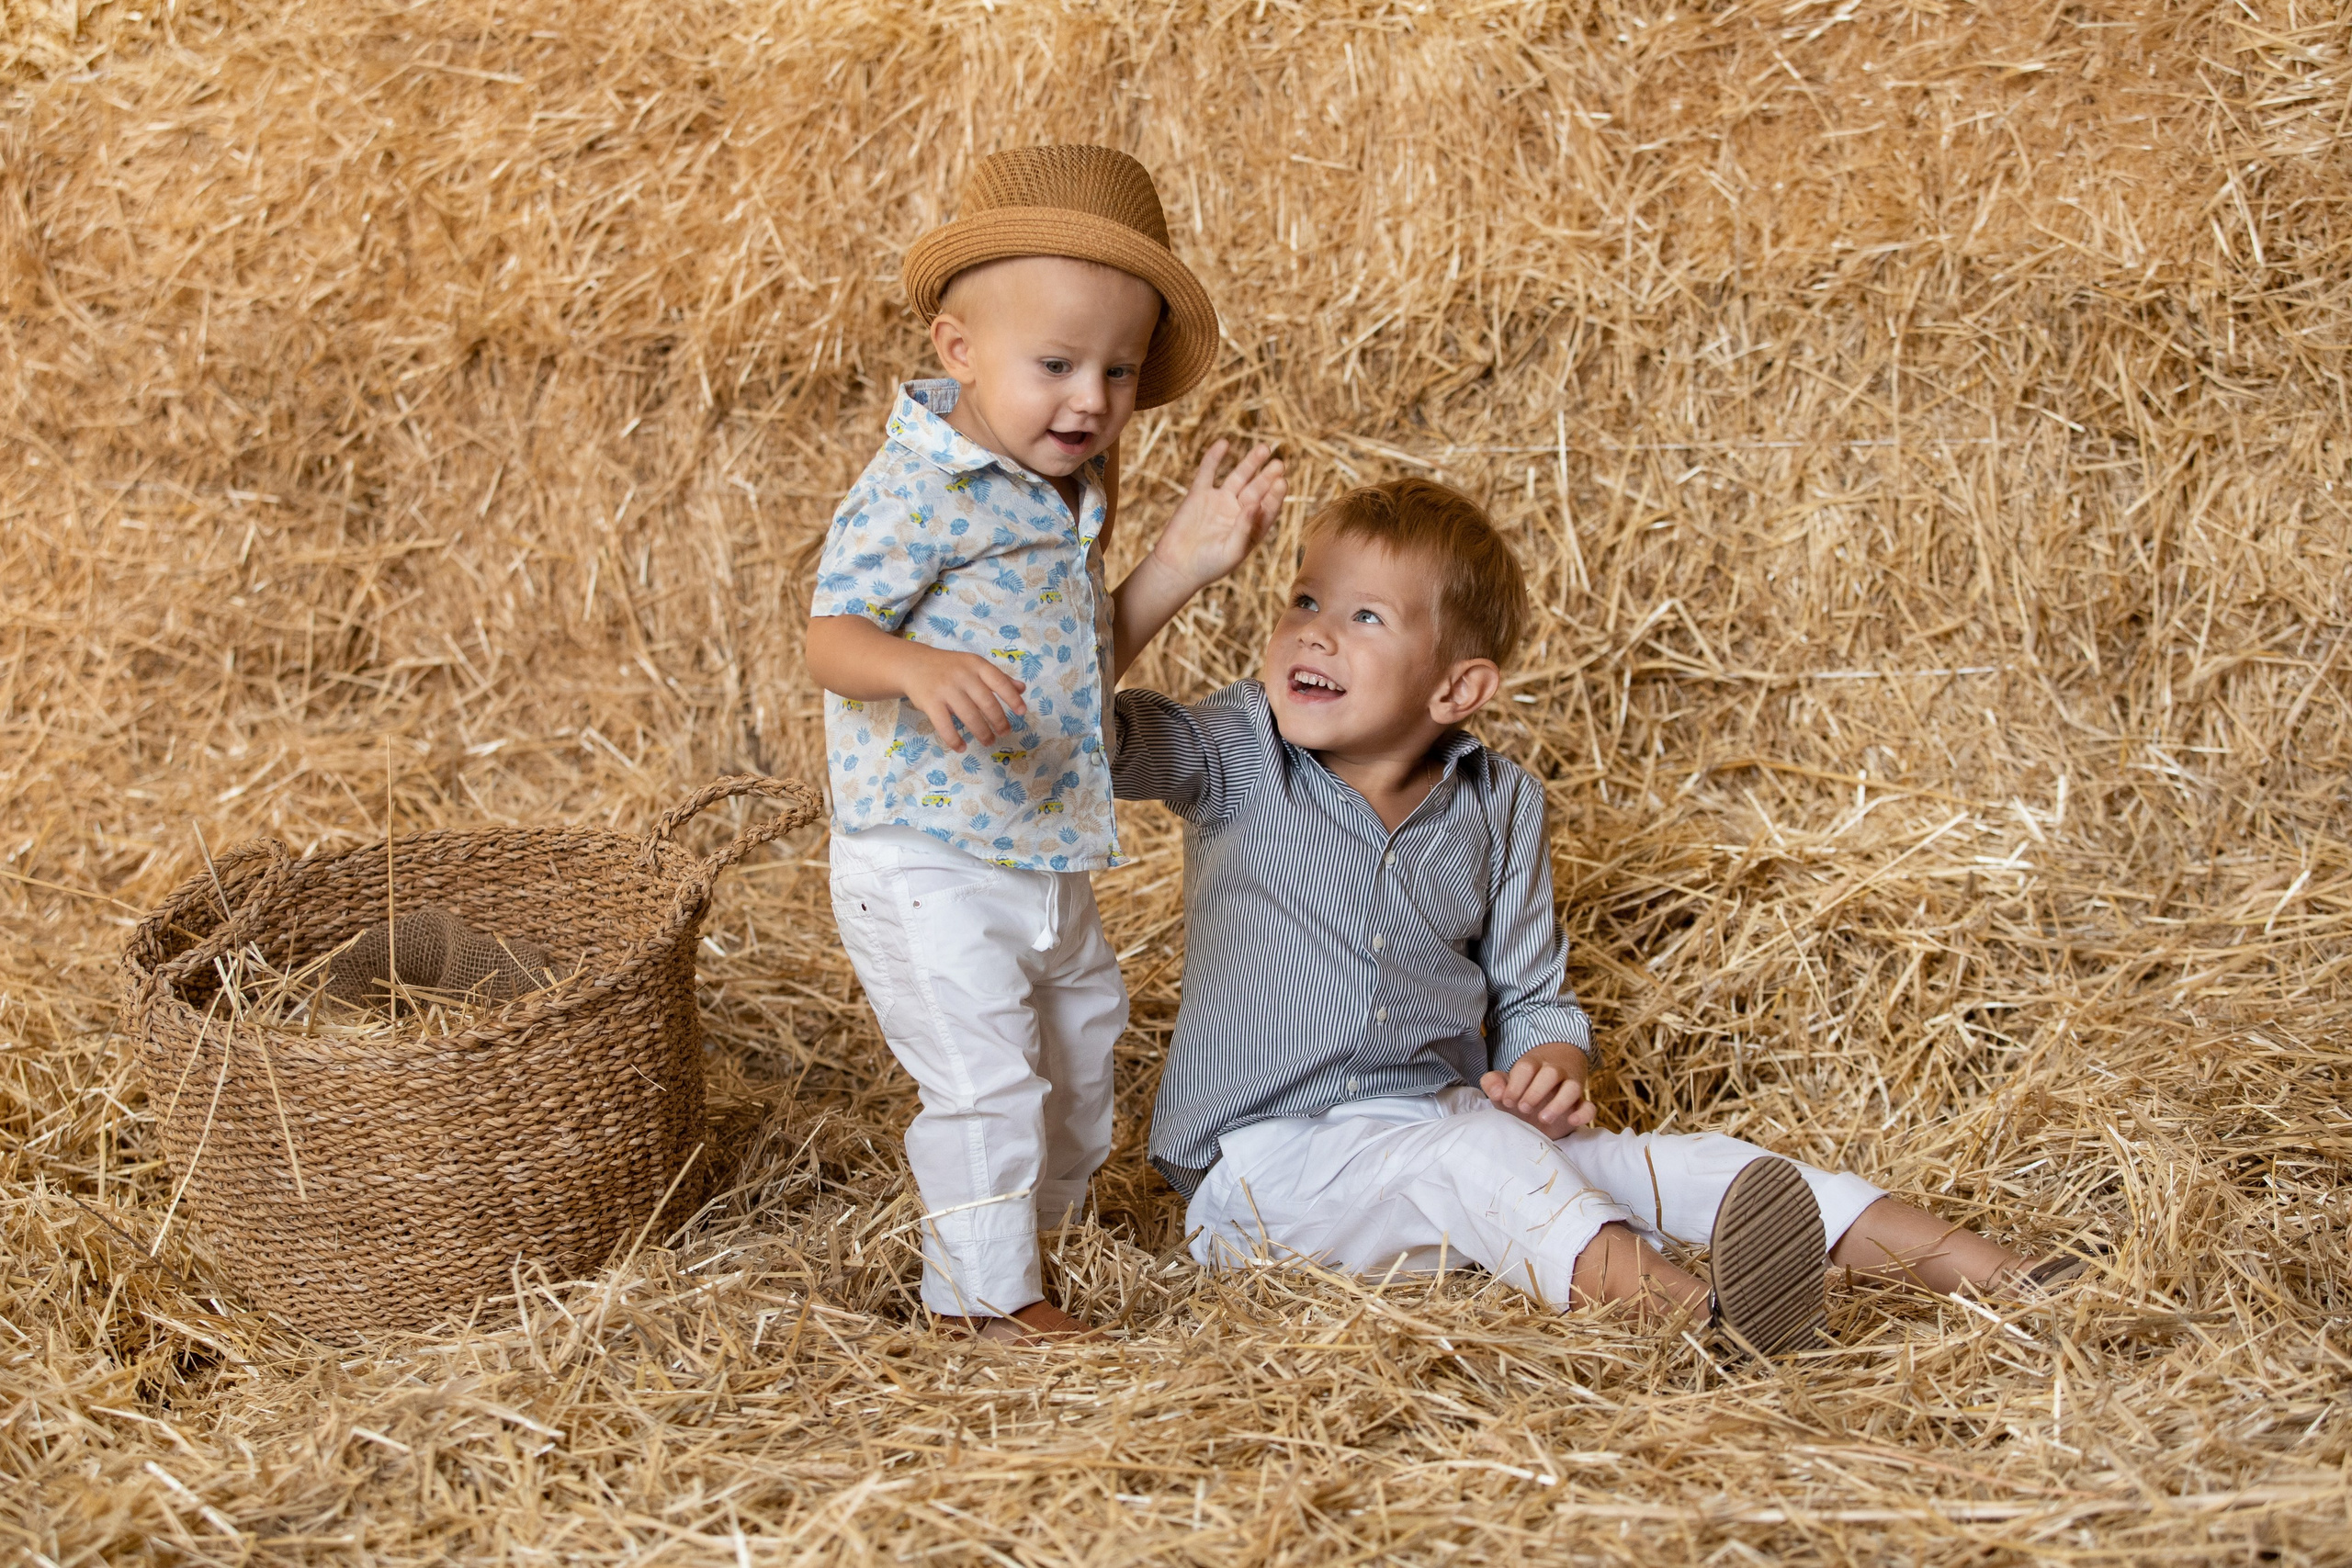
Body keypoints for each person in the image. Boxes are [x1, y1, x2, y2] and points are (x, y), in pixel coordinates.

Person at [1110, 478, 2083, 1351]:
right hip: (1266, 1180)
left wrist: (1551, 1067)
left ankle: (2018, 1283)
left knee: (1694, 1166)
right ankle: (1707, 1327)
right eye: (1304, 600)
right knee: (1481, 1159)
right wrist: (1173, 569)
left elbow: (1532, 998)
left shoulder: (1500, 804)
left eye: (1364, 616)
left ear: (1458, 688)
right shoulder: (1237, 755)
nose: (1312, 632)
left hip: (1445, 1136)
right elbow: (1081, 731)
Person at [806, 146, 1286, 1343]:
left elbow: (1082, 663)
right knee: (987, 1081)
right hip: (926, 856)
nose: (1092, 399)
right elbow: (829, 638)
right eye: (1058, 364)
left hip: (1036, 848)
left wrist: (1182, 560)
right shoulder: (921, 487)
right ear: (958, 350)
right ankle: (984, 1301)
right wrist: (912, 667)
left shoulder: (1057, 494)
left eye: (1119, 371)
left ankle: (1041, 1244)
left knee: (1081, 1054)